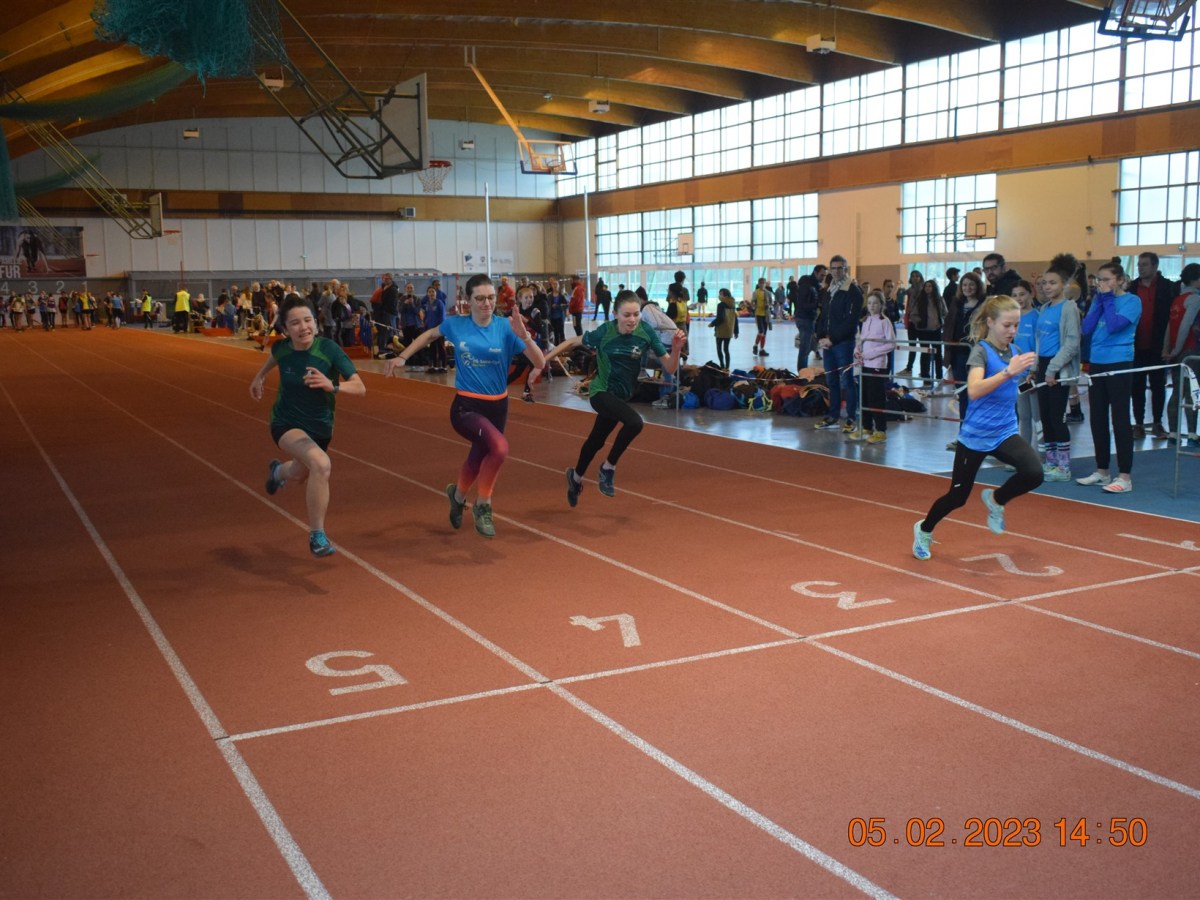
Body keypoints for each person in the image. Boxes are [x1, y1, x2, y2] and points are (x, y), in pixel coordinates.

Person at [384, 274, 544, 538]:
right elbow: (428, 335)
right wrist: (403, 356)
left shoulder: (506, 327)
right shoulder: (457, 325)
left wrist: (525, 336)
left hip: (498, 406)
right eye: (479, 298)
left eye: (491, 297)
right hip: (466, 407)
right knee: (500, 448)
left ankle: (457, 497)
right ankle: (484, 505)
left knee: (479, 454)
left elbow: (539, 362)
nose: (486, 303)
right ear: (467, 300)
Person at [912, 295, 1042, 561]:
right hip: (975, 436)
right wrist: (1008, 372)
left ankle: (997, 500)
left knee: (1034, 473)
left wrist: (1031, 380)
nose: (1012, 331)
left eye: (1016, 325)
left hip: (1004, 432)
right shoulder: (981, 352)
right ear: (991, 322)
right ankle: (924, 529)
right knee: (957, 497)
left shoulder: (1015, 352)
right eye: (1007, 325)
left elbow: (1013, 389)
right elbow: (974, 391)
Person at [250, 296, 366, 557]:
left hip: (320, 427)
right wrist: (259, 377)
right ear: (285, 329)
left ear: (316, 321)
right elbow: (274, 357)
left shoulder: (329, 350)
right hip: (285, 422)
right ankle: (317, 535)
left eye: (307, 320)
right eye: (294, 323)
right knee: (321, 464)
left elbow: (360, 387)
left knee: (301, 473)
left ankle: (278, 472)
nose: (303, 327)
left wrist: (332, 385)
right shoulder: (282, 348)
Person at [544, 290, 685, 505]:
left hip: (622, 397)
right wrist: (542, 362)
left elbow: (670, 367)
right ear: (615, 314)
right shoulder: (605, 332)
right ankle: (608, 467)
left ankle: (575, 477)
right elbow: (572, 342)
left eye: (636, 314)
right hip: (600, 392)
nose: (632, 320)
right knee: (635, 423)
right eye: (627, 315)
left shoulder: (646, 332)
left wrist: (675, 350)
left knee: (596, 440)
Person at [1076, 258, 1142, 494]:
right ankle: (1102, 470)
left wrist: (1107, 299)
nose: (1100, 284)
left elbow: (1114, 326)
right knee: (1097, 417)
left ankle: (1125, 475)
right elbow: (1087, 328)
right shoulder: (1099, 299)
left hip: (1120, 363)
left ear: (1120, 280)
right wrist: (1099, 300)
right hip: (1097, 363)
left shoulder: (1132, 301)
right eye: (1098, 280)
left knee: (1120, 419)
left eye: (1106, 280)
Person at [1034, 253, 1082, 481]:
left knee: (1056, 417)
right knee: (1045, 417)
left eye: (1052, 282)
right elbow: (1038, 340)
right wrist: (1036, 367)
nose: (1047, 287)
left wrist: (1052, 369)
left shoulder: (1068, 308)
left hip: (1058, 367)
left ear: (1064, 284)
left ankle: (1064, 467)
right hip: (1043, 365)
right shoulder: (1043, 309)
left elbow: (1072, 343)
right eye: (1044, 283)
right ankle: (1051, 463)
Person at [813, 256, 865, 431]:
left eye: (840, 268)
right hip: (827, 344)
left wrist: (833, 339)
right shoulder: (829, 290)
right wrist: (820, 336)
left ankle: (851, 418)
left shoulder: (853, 291)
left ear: (846, 269)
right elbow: (823, 316)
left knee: (847, 381)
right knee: (831, 381)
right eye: (833, 268)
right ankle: (833, 416)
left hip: (844, 343)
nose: (836, 271)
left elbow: (851, 321)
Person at [1131, 251, 1179, 438]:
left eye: (1145, 264)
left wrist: (1170, 345)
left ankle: (1158, 423)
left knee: (1158, 385)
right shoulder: (1132, 288)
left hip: (1159, 346)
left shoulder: (1168, 287)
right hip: (1136, 346)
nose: (1141, 268)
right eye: (1139, 264)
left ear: (1155, 266)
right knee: (1137, 386)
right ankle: (1139, 424)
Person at [852, 291, 896, 444]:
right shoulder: (865, 320)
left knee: (876, 398)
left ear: (881, 305)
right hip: (864, 364)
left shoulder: (885, 322)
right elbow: (861, 340)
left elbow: (891, 344)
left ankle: (881, 430)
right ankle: (866, 426)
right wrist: (857, 350)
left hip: (877, 365)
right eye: (869, 303)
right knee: (864, 396)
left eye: (875, 303)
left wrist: (871, 353)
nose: (872, 306)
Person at [1163, 262, 1200, 447]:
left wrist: (1167, 349)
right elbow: (1184, 326)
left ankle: (1174, 432)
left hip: (1178, 351)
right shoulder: (1194, 299)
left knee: (1178, 391)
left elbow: (1170, 327)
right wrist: (1177, 350)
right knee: (1191, 392)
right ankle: (1192, 434)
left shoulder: (1177, 299)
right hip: (1189, 351)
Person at [1012, 280, 1041, 449]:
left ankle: (1041, 454)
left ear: (1031, 294)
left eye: (1022, 294)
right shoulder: (1013, 318)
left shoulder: (1036, 317)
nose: (1019, 298)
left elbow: (1038, 346)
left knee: (1037, 416)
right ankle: (1025, 455)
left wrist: (1034, 370)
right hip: (1019, 375)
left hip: (1032, 374)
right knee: (1023, 415)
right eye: (1015, 295)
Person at [709, 287, 739, 369]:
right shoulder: (733, 305)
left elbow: (720, 318)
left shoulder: (720, 305)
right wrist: (736, 331)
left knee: (719, 349)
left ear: (725, 296)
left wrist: (712, 324)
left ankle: (722, 366)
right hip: (729, 331)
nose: (719, 296)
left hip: (720, 330)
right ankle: (727, 367)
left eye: (720, 294)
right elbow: (735, 319)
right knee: (726, 349)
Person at [422, 284, 448, 372]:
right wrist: (425, 328)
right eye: (429, 292)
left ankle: (443, 366)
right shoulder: (426, 305)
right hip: (430, 330)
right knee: (432, 348)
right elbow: (426, 318)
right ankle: (433, 366)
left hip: (439, 330)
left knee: (441, 348)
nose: (431, 293)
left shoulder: (439, 303)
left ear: (436, 293)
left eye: (433, 292)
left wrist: (439, 328)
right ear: (427, 294)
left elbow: (442, 317)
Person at [750, 277, 771, 356]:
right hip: (758, 314)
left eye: (763, 283)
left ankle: (762, 350)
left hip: (766, 315)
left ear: (765, 284)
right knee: (761, 332)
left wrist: (769, 306)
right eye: (761, 283)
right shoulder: (756, 292)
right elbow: (752, 303)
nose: (762, 285)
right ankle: (755, 346)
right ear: (758, 284)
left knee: (764, 333)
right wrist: (754, 306)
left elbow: (771, 303)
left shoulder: (768, 293)